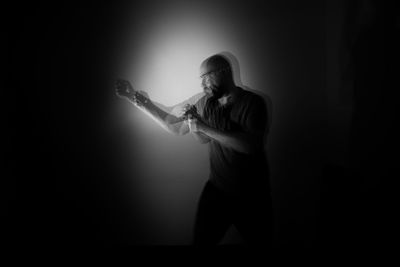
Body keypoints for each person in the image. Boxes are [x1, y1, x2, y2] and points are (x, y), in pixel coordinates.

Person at [115, 54, 272, 246]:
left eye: (207, 76)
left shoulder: (253, 102)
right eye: (201, 79)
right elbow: (173, 125)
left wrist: (204, 127)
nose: (203, 84)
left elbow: (251, 145)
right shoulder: (205, 102)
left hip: (252, 197)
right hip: (218, 190)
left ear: (225, 72)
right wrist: (134, 97)